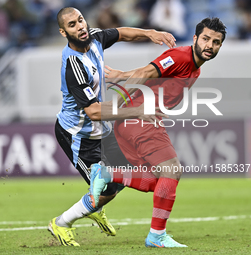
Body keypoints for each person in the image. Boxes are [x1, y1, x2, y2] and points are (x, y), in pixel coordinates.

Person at [90, 17, 226, 248]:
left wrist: (122, 75)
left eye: (216, 42)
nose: (209, 46)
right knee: (172, 170)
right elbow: (146, 72)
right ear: (195, 38)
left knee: (158, 181)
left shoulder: (194, 68)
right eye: (205, 39)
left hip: (139, 121)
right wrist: (122, 100)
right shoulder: (182, 56)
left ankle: (108, 174)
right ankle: (156, 235)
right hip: (141, 120)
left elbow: (152, 71)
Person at [48, 7, 176, 247]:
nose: (80, 26)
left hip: (102, 131)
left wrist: (150, 33)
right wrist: (136, 111)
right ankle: (61, 223)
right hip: (78, 135)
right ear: (64, 33)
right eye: (73, 25)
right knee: (105, 186)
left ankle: (94, 206)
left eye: (81, 20)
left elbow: (121, 34)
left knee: (126, 174)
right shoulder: (73, 67)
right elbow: (94, 111)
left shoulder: (94, 37)